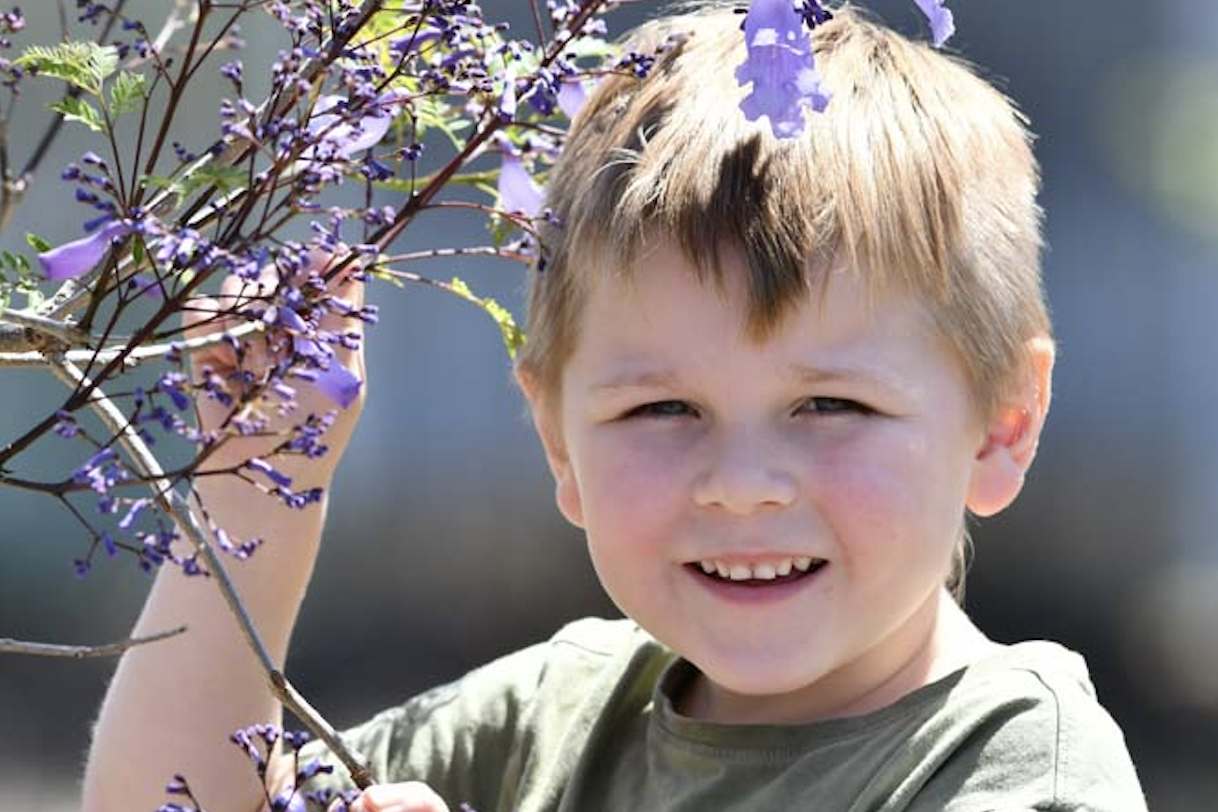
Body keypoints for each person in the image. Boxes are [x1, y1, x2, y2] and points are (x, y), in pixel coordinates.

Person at [82, 4, 1148, 811]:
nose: (740, 485)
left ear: (1003, 424)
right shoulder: (552, 715)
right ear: (557, 437)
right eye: (663, 410)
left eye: (831, 402)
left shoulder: (1021, 762)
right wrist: (258, 480)